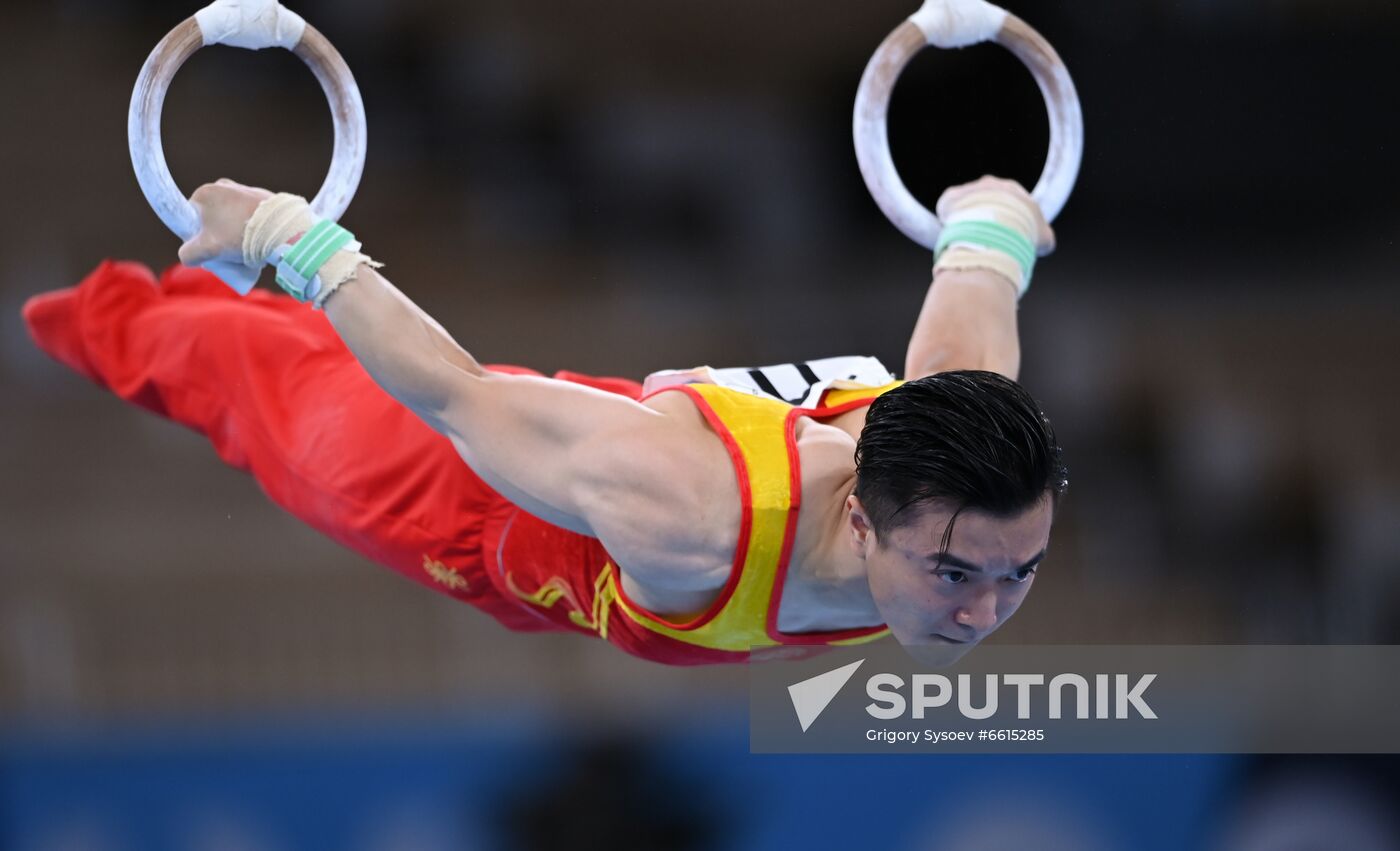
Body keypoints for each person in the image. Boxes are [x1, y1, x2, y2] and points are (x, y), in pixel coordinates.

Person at [22, 175, 1066, 665]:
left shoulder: (965, 443)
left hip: (604, 446)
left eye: (1015, 570)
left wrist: (994, 222)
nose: (984, 609)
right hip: (471, 504)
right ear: (857, 523)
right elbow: (454, 395)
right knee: (236, 374)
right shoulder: (691, 514)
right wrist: (295, 240)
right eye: (954, 574)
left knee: (248, 355)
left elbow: (970, 290)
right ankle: (82, 306)